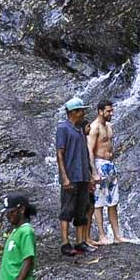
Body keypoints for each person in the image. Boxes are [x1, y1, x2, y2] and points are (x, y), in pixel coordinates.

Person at [55, 97, 94, 256]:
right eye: (81, 110)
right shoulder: (63, 128)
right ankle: (65, 243)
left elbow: (84, 152)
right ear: (72, 112)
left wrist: (90, 176)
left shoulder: (79, 129)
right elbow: (60, 153)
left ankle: (80, 242)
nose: (83, 113)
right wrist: (64, 177)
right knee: (67, 209)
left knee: (82, 209)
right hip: (71, 176)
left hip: (83, 175)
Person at [87, 100, 125, 244]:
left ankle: (117, 235)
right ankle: (102, 235)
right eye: (108, 111)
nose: (111, 113)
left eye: (111, 110)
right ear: (100, 111)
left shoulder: (109, 126)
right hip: (99, 164)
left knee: (113, 202)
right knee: (98, 202)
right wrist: (94, 172)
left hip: (110, 166)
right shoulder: (94, 127)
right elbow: (90, 150)